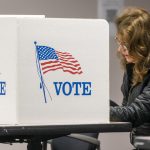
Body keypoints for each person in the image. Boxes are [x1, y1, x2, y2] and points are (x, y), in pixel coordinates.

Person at [110, 7, 150, 149]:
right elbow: (126, 109)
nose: (120, 49)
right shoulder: (132, 67)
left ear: (142, 45)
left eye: (125, 44)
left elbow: (135, 113)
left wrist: (98, 110)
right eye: (118, 42)